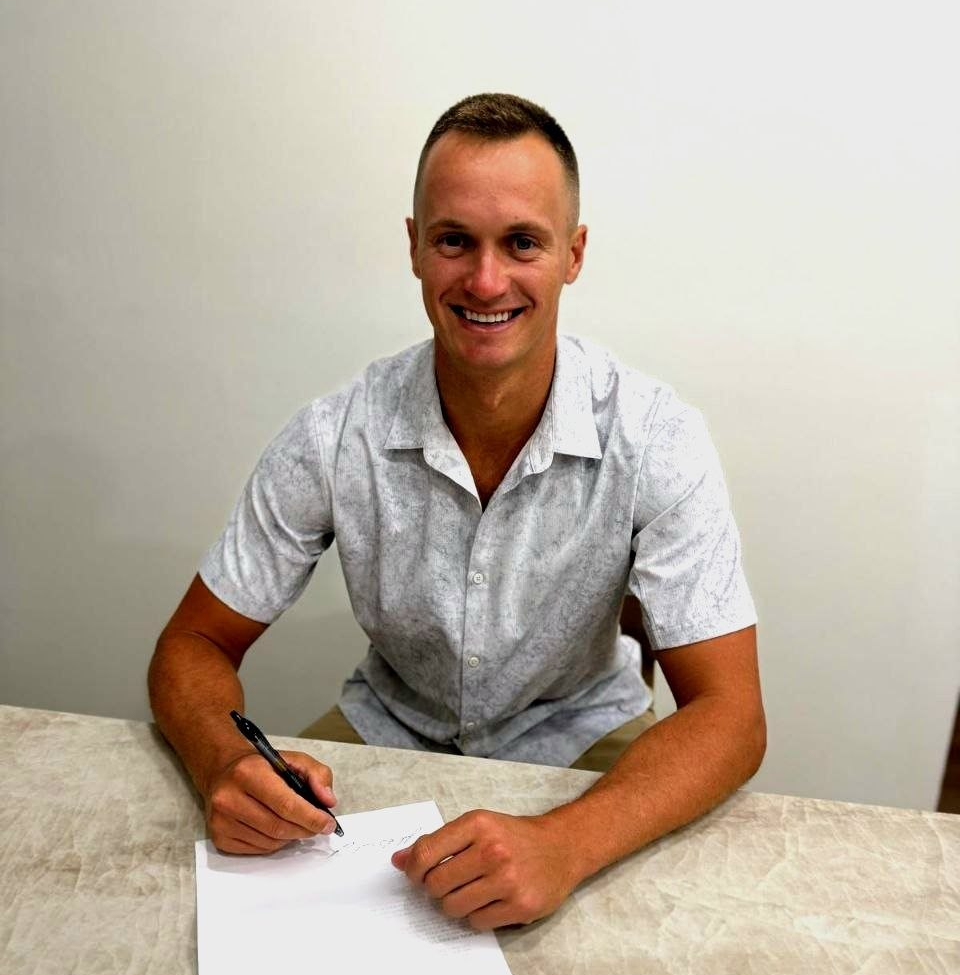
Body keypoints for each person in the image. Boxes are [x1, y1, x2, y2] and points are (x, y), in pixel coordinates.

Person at [148, 93, 765, 931]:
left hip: (584, 735)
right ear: (413, 247)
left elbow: (731, 718)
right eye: (453, 241)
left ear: (573, 254)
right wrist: (223, 760)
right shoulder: (333, 437)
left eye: (521, 243)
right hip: (387, 728)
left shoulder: (656, 439)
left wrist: (567, 844)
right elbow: (192, 643)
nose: (484, 281)